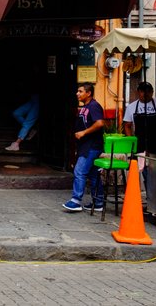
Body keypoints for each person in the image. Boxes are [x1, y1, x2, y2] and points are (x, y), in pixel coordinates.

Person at [63, 82, 106, 213]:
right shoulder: (85, 107)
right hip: (86, 145)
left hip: (91, 146)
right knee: (93, 175)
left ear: (89, 93)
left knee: (79, 171)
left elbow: (100, 123)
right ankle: (98, 202)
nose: (77, 94)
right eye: (78, 91)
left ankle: (76, 201)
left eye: (80, 91)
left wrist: (84, 132)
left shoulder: (94, 106)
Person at [123, 81, 156, 156]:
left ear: (152, 92)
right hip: (139, 145)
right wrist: (132, 141)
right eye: (143, 91)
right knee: (140, 166)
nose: (146, 94)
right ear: (138, 92)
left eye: (148, 91)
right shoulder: (131, 107)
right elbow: (127, 125)